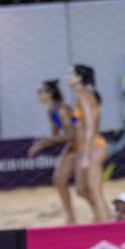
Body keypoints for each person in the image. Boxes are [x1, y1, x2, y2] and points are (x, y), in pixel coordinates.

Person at [27, 80, 80, 224]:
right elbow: (57, 136)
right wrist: (42, 143)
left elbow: (71, 135)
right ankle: (70, 216)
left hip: (81, 145)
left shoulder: (62, 110)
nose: (38, 95)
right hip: (73, 145)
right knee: (59, 180)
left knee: (77, 186)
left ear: (49, 94)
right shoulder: (51, 111)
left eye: (40, 92)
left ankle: (72, 217)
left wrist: (44, 143)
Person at [68, 64, 109, 222]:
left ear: (79, 78)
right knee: (81, 189)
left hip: (93, 147)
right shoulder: (81, 95)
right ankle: (101, 216)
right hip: (85, 147)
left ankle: (107, 225)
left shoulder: (83, 96)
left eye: (71, 74)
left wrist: (85, 156)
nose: (68, 77)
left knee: (95, 192)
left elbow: (91, 126)